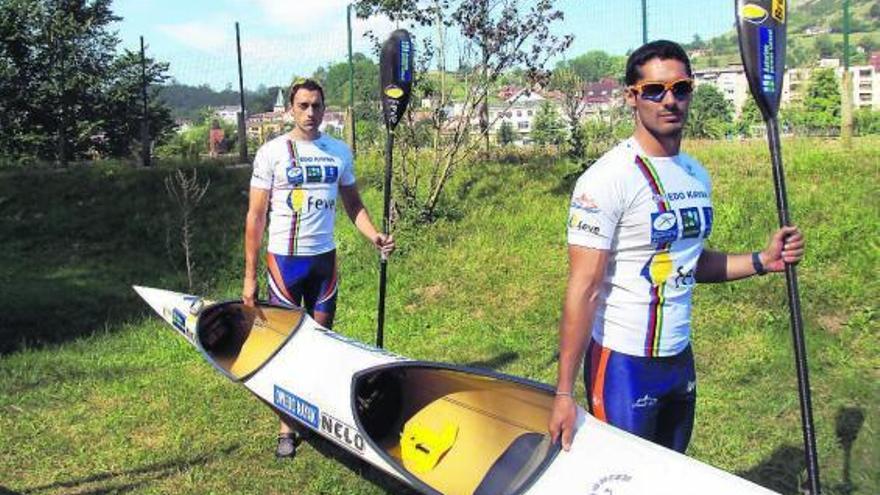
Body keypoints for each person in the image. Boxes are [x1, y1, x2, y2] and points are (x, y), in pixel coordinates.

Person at [548, 40, 805, 454]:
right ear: (632, 97)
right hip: (624, 363)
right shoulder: (606, 179)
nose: (669, 101)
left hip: (678, 358)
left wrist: (761, 260)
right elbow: (584, 288)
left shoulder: (694, 175)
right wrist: (563, 393)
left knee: (669, 472)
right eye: (654, 90)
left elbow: (690, 262)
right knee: (623, 478)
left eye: (680, 89)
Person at [243, 78, 395, 459]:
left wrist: (374, 235)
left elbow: (354, 206)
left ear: (325, 109)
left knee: (319, 342)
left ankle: (311, 410)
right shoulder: (272, 152)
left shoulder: (338, 152)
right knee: (287, 345)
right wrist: (248, 276)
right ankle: (285, 426)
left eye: (317, 106)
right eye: (304, 106)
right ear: (290, 109)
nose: (311, 113)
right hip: (284, 263)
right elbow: (256, 216)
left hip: (324, 262)